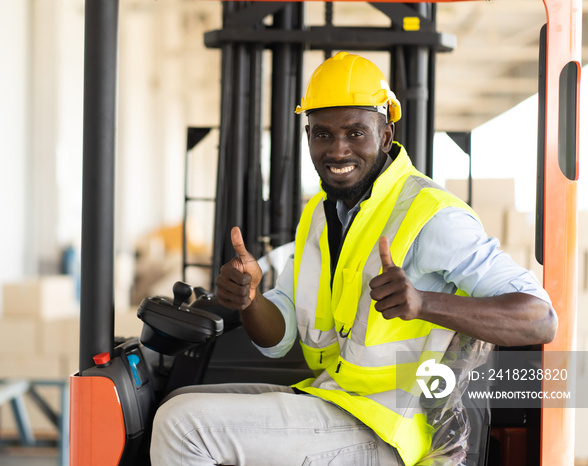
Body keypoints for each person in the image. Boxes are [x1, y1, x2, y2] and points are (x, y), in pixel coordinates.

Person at [150, 52, 557, 466]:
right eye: (322, 134)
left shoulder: (432, 214)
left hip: (391, 426)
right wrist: (252, 298)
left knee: (183, 426)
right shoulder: (319, 216)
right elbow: (280, 339)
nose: (337, 149)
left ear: (384, 135)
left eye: (355, 133)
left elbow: (540, 318)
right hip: (335, 399)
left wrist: (423, 303)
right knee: (179, 399)